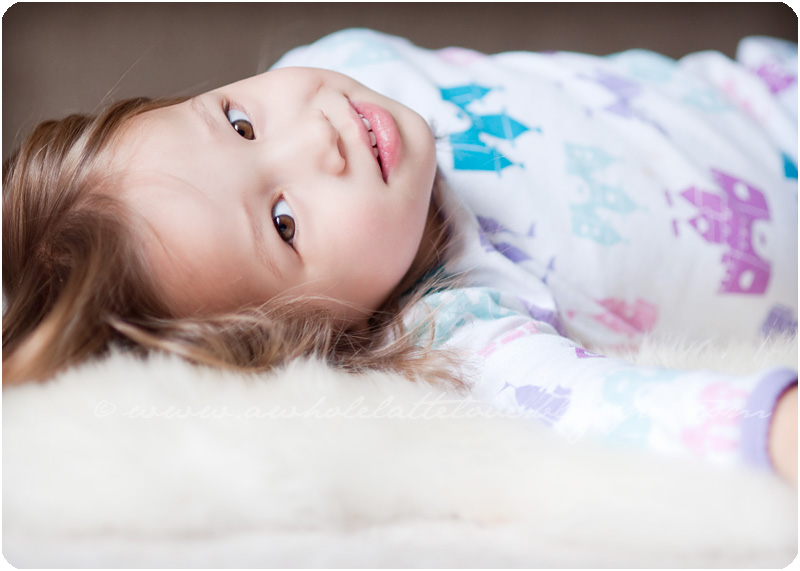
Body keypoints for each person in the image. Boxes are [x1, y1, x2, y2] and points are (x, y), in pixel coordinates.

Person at [3, 29, 797, 484]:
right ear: (307, 334)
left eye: (239, 122)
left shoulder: (355, 59)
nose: (318, 136)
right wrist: (774, 427)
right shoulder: (454, 333)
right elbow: (611, 410)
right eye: (283, 222)